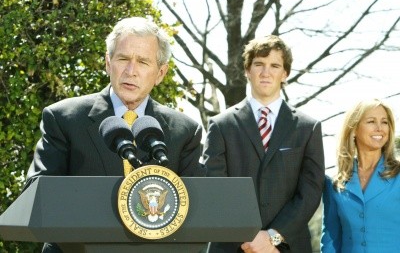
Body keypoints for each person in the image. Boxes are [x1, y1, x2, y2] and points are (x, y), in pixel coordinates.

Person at [24, 16, 205, 252]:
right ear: (108, 63)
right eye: (123, 59)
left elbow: (200, 210)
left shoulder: (185, 131)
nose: (131, 71)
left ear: (160, 73)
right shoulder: (64, 118)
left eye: (142, 62)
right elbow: (38, 192)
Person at [202, 35, 325, 253]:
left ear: (285, 74)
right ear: (247, 70)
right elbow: (215, 187)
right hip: (231, 246)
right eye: (259, 64)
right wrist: (248, 237)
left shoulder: (308, 128)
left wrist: (272, 238)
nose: (266, 72)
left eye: (275, 65)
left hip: (287, 246)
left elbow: (310, 192)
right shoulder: (221, 126)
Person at [321, 99, 400, 253]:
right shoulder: (334, 182)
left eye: (384, 122)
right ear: (354, 129)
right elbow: (331, 238)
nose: (379, 128)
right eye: (371, 121)